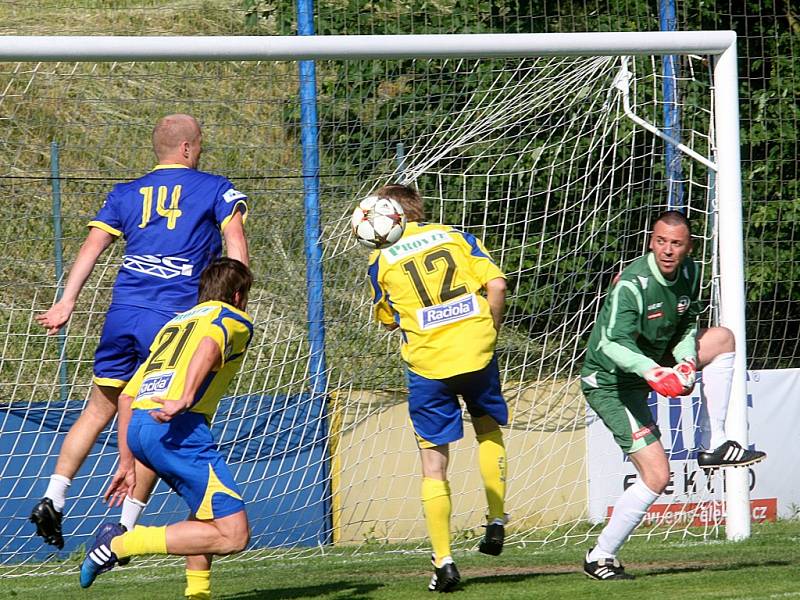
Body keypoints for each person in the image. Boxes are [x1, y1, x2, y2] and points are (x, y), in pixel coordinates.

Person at [30, 114, 250, 550]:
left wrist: (67, 301)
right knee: (159, 415)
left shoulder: (125, 193)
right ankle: (125, 526)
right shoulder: (214, 187)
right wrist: (234, 293)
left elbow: (91, 246)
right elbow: (235, 239)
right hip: (172, 323)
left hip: (123, 314)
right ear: (188, 148)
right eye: (200, 143)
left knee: (97, 410)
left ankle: (54, 496)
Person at [580, 210, 766, 580]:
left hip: (656, 361)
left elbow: (688, 325)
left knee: (722, 338)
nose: (667, 250)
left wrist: (683, 362)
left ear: (688, 247)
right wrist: (654, 372)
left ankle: (714, 444)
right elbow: (610, 344)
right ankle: (599, 557)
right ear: (651, 241)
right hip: (611, 383)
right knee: (657, 475)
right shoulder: (632, 284)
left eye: (676, 243)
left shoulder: (691, 273)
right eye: (661, 241)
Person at [79, 257, 253, 600]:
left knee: (204, 517)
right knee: (234, 535)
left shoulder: (174, 325)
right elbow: (211, 346)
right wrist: (185, 398)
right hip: (178, 429)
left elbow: (127, 396)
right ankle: (121, 543)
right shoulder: (231, 318)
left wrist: (126, 462)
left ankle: (197, 594)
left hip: (141, 425)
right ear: (236, 296)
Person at [365, 183, 509, 593]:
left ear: (389, 215)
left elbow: (388, 319)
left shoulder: (380, 260)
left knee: (434, 464)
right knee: (488, 431)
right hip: (476, 352)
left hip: (428, 365)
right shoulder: (455, 236)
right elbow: (496, 286)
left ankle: (444, 561)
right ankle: (496, 518)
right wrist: (490, 328)